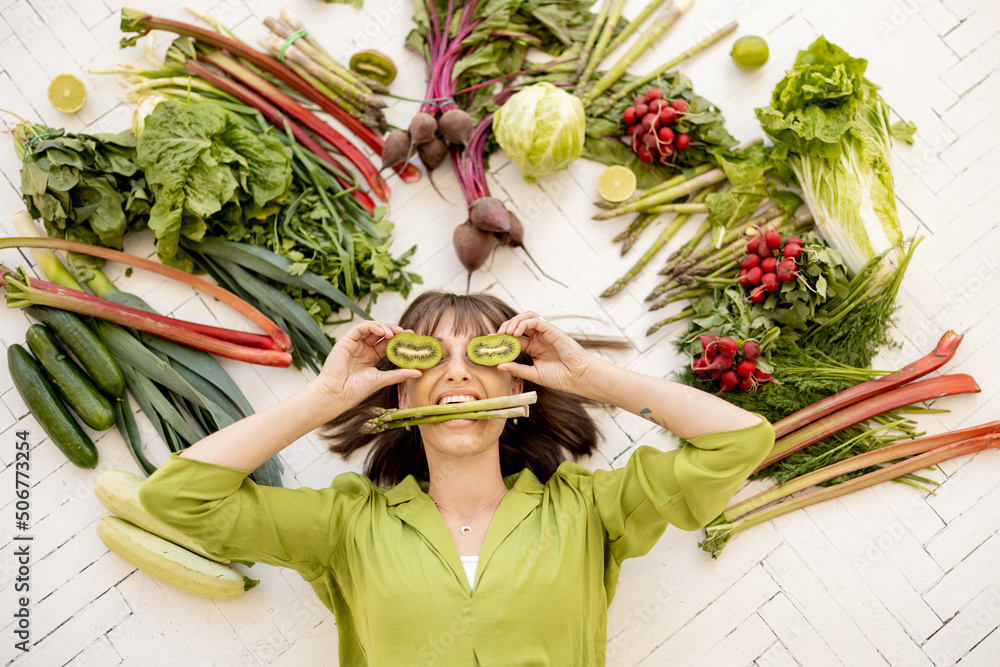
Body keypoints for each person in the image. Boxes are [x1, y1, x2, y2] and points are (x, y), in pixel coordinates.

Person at [139, 291, 774, 666]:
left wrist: (593, 380)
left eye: (481, 357)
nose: (458, 375)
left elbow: (739, 440)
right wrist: (327, 396)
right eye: (432, 358)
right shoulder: (345, 525)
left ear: (517, 380)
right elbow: (177, 496)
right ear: (403, 382)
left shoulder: (590, 512)